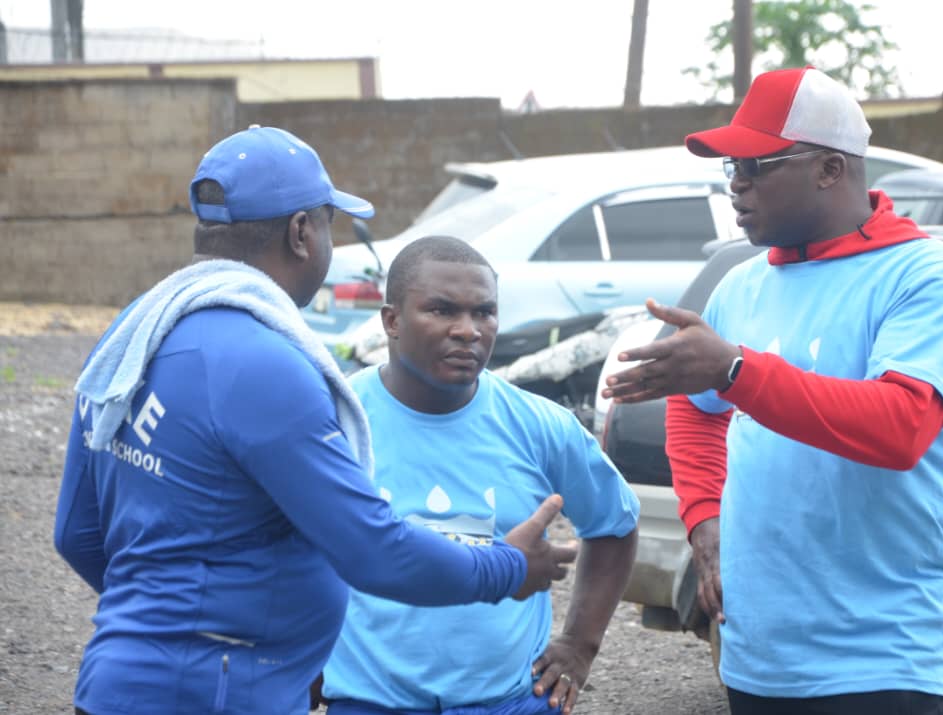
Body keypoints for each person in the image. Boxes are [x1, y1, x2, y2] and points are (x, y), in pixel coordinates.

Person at [53, 126, 576, 715]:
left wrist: (160, 628)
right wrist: (506, 567)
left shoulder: (136, 335)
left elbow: (76, 532)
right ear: (302, 232)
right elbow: (373, 552)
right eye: (329, 222)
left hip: (117, 683)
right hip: (221, 690)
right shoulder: (262, 363)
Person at [602, 66, 943, 715]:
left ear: (831, 169)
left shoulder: (924, 275)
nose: (736, 187)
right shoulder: (742, 285)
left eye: (755, 166)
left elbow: (901, 426)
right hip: (761, 654)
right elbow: (695, 409)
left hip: (886, 654)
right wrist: (703, 517)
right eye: (729, 170)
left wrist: (735, 371)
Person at [317, 236, 640, 715]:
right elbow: (276, 542)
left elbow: (614, 525)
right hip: (370, 703)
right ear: (391, 321)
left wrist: (579, 646)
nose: (468, 331)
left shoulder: (539, 425)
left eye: (484, 312)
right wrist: (300, 653)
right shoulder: (335, 419)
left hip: (511, 702)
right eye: (442, 311)